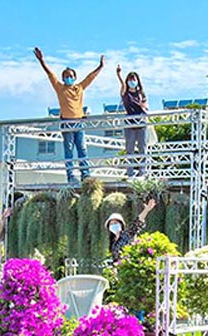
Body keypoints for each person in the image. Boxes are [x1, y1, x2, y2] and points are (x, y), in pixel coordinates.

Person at [34, 47, 104, 184]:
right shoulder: (60, 88)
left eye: (71, 76)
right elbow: (50, 74)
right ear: (63, 78)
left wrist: (100, 66)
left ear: (75, 77)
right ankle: (71, 175)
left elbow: (91, 77)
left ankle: (85, 174)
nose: (69, 78)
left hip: (79, 121)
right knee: (69, 150)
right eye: (66, 76)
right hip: (66, 122)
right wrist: (42, 61)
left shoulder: (79, 88)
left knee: (82, 149)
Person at [116, 65, 149, 177]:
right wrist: (119, 74)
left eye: (134, 79)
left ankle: (142, 172)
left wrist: (143, 105)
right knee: (129, 149)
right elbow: (123, 85)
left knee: (142, 149)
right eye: (130, 79)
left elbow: (146, 106)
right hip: (130, 123)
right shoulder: (125, 93)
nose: (132, 81)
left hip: (141, 122)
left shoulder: (141, 94)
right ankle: (130, 172)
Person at [106, 198, 157, 263]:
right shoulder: (112, 241)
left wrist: (146, 210)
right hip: (118, 270)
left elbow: (137, 223)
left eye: (116, 223)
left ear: (121, 224)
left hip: (129, 266)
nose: (113, 225)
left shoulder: (127, 234)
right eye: (111, 224)